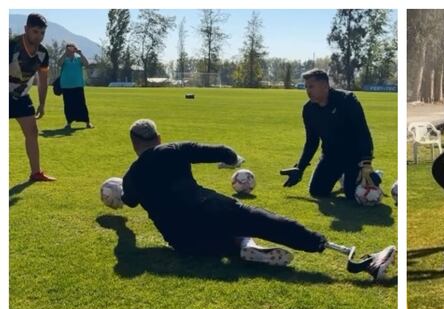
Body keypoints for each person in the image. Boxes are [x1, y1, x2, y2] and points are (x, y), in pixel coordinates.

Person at [120, 119, 395, 281]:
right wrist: (232, 160)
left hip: (183, 241)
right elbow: (222, 151)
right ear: (158, 137)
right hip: (211, 209)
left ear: (134, 144)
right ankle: (343, 253)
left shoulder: (131, 177)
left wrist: (120, 216)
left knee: (220, 242)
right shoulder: (174, 150)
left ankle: (242, 248)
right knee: (264, 221)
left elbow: (128, 201)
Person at [281, 68, 380, 201]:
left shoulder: (347, 100)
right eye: (306, 87)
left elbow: (362, 131)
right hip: (331, 156)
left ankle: (371, 175)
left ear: (325, 86)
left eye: (311, 86)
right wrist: (300, 168)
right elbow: (312, 142)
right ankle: (344, 177)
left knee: (352, 196)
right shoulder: (309, 110)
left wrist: (366, 162)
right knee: (317, 191)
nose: (308, 91)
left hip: (354, 156)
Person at [9, 13, 55, 181]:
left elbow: (43, 80)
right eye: (35, 31)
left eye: (42, 33)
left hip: (21, 96)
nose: (39, 36)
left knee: (32, 132)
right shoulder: (11, 46)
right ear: (26, 29)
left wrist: (42, 104)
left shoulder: (43, 53)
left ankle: (36, 173)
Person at [58, 42, 93, 129]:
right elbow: (59, 63)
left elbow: (86, 64)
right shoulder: (64, 59)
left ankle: (87, 122)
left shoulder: (78, 59)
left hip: (78, 85)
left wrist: (80, 53)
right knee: (68, 105)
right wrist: (65, 54)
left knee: (81, 104)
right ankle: (69, 123)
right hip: (66, 86)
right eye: (69, 48)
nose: (70, 50)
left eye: (72, 48)